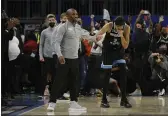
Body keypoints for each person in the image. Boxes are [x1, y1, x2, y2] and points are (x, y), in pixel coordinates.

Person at [47, 8, 97, 111]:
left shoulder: (78, 27)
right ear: (68, 16)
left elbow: (88, 37)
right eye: (73, 14)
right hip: (64, 59)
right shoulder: (62, 27)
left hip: (75, 59)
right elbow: (56, 42)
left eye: (76, 14)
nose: (76, 16)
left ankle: (74, 102)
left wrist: (97, 37)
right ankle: (52, 103)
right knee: (58, 81)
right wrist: (59, 55)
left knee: (74, 82)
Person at [96, 16, 132, 108]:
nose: (119, 29)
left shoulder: (127, 28)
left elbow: (125, 46)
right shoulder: (109, 26)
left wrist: (121, 35)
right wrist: (98, 37)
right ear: (114, 24)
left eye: (121, 27)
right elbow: (98, 35)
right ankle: (104, 100)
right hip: (108, 51)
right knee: (107, 74)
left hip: (118, 51)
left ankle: (124, 99)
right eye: (117, 27)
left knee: (124, 70)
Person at [39, 14, 57, 96]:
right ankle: (46, 88)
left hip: (56, 56)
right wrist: (41, 56)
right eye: (50, 20)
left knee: (55, 74)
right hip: (46, 56)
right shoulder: (44, 32)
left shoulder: (58, 31)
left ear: (55, 21)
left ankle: (53, 89)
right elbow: (41, 45)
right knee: (46, 74)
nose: (51, 21)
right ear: (47, 21)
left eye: (53, 20)